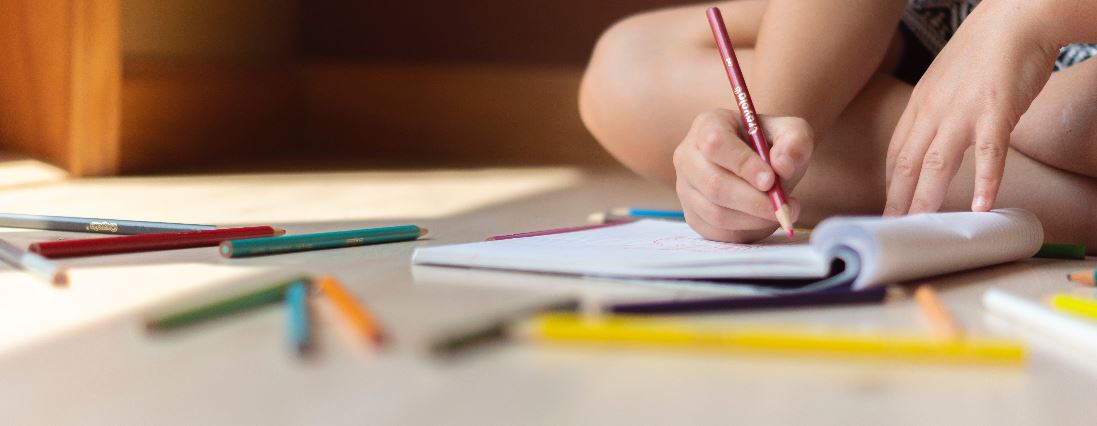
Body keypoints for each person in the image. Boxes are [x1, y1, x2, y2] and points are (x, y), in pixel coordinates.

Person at [578, 0, 1097, 249]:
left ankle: (1058, 198)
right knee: (624, 72)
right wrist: (764, 143)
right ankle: (1063, 198)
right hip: (929, 29)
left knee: (1062, 119)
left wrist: (1026, 16)